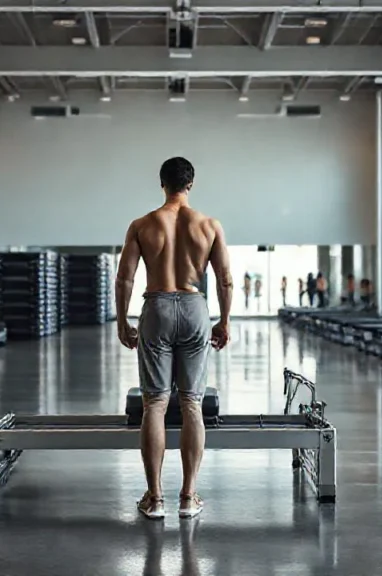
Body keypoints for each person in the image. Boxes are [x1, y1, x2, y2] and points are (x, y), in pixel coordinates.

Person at [114, 157, 231, 520]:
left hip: (157, 305)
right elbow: (226, 279)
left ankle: (154, 498)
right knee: (192, 403)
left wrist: (122, 321)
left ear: (162, 183)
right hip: (195, 306)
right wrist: (224, 321)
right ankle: (188, 496)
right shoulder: (209, 225)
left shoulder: (142, 225)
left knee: (155, 405)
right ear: (190, 184)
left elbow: (125, 279)